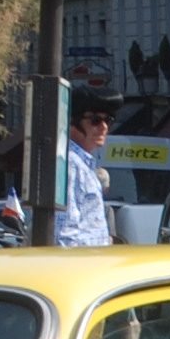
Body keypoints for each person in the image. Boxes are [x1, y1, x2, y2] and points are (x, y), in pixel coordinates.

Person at [57, 92, 118, 246]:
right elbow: (63, 236)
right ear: (72, 123)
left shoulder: (82, 166)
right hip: (80, 267)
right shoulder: (71, 166)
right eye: (95, 120)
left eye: (108, 120)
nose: (103, 127)